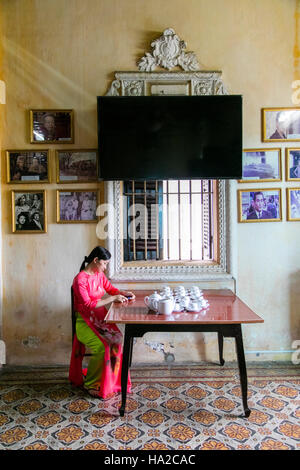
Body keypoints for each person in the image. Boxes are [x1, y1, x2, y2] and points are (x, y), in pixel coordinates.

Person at [69, 246, 135, 398]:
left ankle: (109, 381)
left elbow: (110, 289)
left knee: (117, 339)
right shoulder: (80, 279)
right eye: (104, 263)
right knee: (102, 346)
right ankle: (91, 383)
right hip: (85, 322)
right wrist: (112, 299)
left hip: (101, 319)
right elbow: (87, 305)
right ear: (95, 260)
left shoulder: (99, 275)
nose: (105, 268)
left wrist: (122, 293)